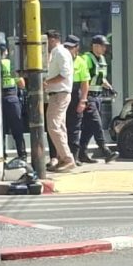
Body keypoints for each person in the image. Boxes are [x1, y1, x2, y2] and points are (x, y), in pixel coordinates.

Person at [78, 35, 117, 163]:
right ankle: (105, 150)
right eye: (103, 45)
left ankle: (81, 153)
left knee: (88, 127)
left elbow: (100, 78)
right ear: (95, 46)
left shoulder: (102, 59)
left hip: (97, 96)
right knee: (96, 123)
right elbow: (84, 79)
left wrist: (109, 87)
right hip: (88, 96)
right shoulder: (86, 59)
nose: (105, 48)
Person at [44, 30, 76, 172]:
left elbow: (64, 74)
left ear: (52, 40)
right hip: (57, 93)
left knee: (53, 126)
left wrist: (47, 82)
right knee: (59, 127)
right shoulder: (57, 53)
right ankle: (63, 158)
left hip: (59, 93)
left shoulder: (61, 52)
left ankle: (67, 158)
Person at [0, 42, 27, 162]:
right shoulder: (10, 64)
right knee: (17, 128)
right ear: (5, 52)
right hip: (11, 97)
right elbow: (21, 84)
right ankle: (22, 155)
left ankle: (2, 155)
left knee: (0, 129)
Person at [64, 35, 90, 165]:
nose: (68, 49)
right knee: (62, 126)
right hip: (63, 92)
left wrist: (83, 100)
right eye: (66, 47)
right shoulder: (62, 58)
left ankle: (74, 156)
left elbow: (85, 83)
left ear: (77, 48)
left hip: (75, 94)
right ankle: (62, 156)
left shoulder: (80, 61)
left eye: (71, 47)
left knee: (74, 127)